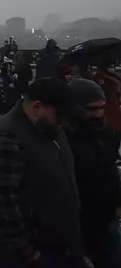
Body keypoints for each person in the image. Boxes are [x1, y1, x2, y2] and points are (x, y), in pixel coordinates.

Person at [0, 78, 89, 268]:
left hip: (62, 240)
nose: (63, 122)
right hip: (33, 253)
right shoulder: (6, 139)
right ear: (37, 107)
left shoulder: (49, 127)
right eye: (60, 116)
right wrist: (30, 253)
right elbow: (3, 206)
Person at [66, 79, 121, 268]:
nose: (98, 114)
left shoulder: (102, 133)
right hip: (78, 225)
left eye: (101, 108)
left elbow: (108, 171)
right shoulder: (64, 141)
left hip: (106, 221)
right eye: (91, 109)